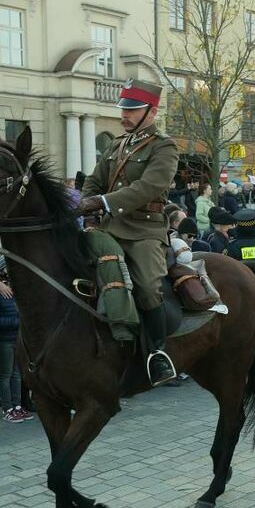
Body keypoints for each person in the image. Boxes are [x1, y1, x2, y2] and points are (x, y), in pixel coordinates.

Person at [77, 78, 180, 385]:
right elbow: (93, 181)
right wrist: (89, 210)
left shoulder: (165, 146)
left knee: (148, 286)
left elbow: (150, 186)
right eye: (124, 108)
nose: (125, 115)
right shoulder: (115, 144)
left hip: (143, 231)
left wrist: (104, 202)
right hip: (107, 228)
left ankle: (157, 354)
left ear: (151, 111)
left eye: (132, 110)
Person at [0, 257, 28, 424]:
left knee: (17, 374)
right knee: (5, 373)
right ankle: (7, 407)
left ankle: (17, 406)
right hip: (4, 340)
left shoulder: (20, 290)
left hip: (18, 339)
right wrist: (16, 322)